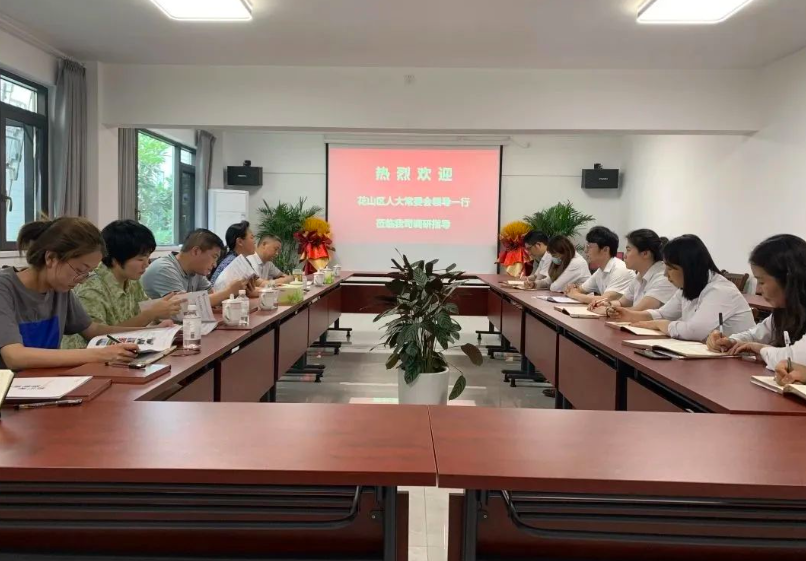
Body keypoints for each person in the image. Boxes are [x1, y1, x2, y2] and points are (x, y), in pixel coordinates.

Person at [0, 217, 140, 370]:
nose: (82, 280)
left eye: (88, 273)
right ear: (51, 258)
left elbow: (93, 330)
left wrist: (154, 332)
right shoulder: (5, 288)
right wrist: (101, 354)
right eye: (80, 270)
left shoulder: (59, 288)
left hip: (45, 380)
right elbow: (15, 357)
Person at [61, 220, 183, 349]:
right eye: (140, 259)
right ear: (116, 259)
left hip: (121, 352)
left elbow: (139, 318)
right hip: (87, 356)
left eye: (148, 258)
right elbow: (98, 336)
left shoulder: (132, 281)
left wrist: (158, 320)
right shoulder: (91, 287)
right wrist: (150, 314)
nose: (146, 264)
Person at [609, 235, 755, 341]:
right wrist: (630, 315)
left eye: (670, 268)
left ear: (688, 268)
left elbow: (694, 331)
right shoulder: (687, 287)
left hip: (739, 364)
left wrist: (660, 325)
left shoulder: (720, 291)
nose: (665, 274)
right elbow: (663, 314)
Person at [707, 234, 806, 369]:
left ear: (788, 279)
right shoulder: (784, 312)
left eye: (761, 282)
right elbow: (754, 335)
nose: (758, 290)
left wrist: (760, 349)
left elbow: (795, 359)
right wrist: (731, 341)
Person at [142, 228, 248, 307]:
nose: (215, 264)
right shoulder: (164, 269)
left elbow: (212, 297)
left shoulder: (196, 270)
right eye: (214, 257)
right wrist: (228, 291)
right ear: (196, 251)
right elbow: (182, 306)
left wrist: (237, 291)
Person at [590, 229, 676, 313]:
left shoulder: (663, 277)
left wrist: (608, 310)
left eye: (628, 250)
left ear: (645, 253)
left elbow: (639, 311)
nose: (625, 256)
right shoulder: (640, 275)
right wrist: (607, 304)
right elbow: (622, 303)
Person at [566, 226, 634, 304]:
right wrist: (572, 288)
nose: (585, 251)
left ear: (605, 249)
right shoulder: (601, 271)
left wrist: (574, 294)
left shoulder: (621, 269)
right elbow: (581, 290)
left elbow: (604, 299)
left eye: (589, 247)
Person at [524, 235, 591, 292]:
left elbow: (555, 287)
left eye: (554, 255)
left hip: (581, 301)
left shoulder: (576, 263)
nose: (553, 258)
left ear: (564, 252)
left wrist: (549, 284)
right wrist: (534, 284)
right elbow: (549, 280)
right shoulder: (564, 260)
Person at [210, 220, 256, 287]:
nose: (254, 242)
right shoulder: (232, 262)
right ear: (240, 242)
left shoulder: (242, 259)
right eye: (251, 237)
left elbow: (255, 283)